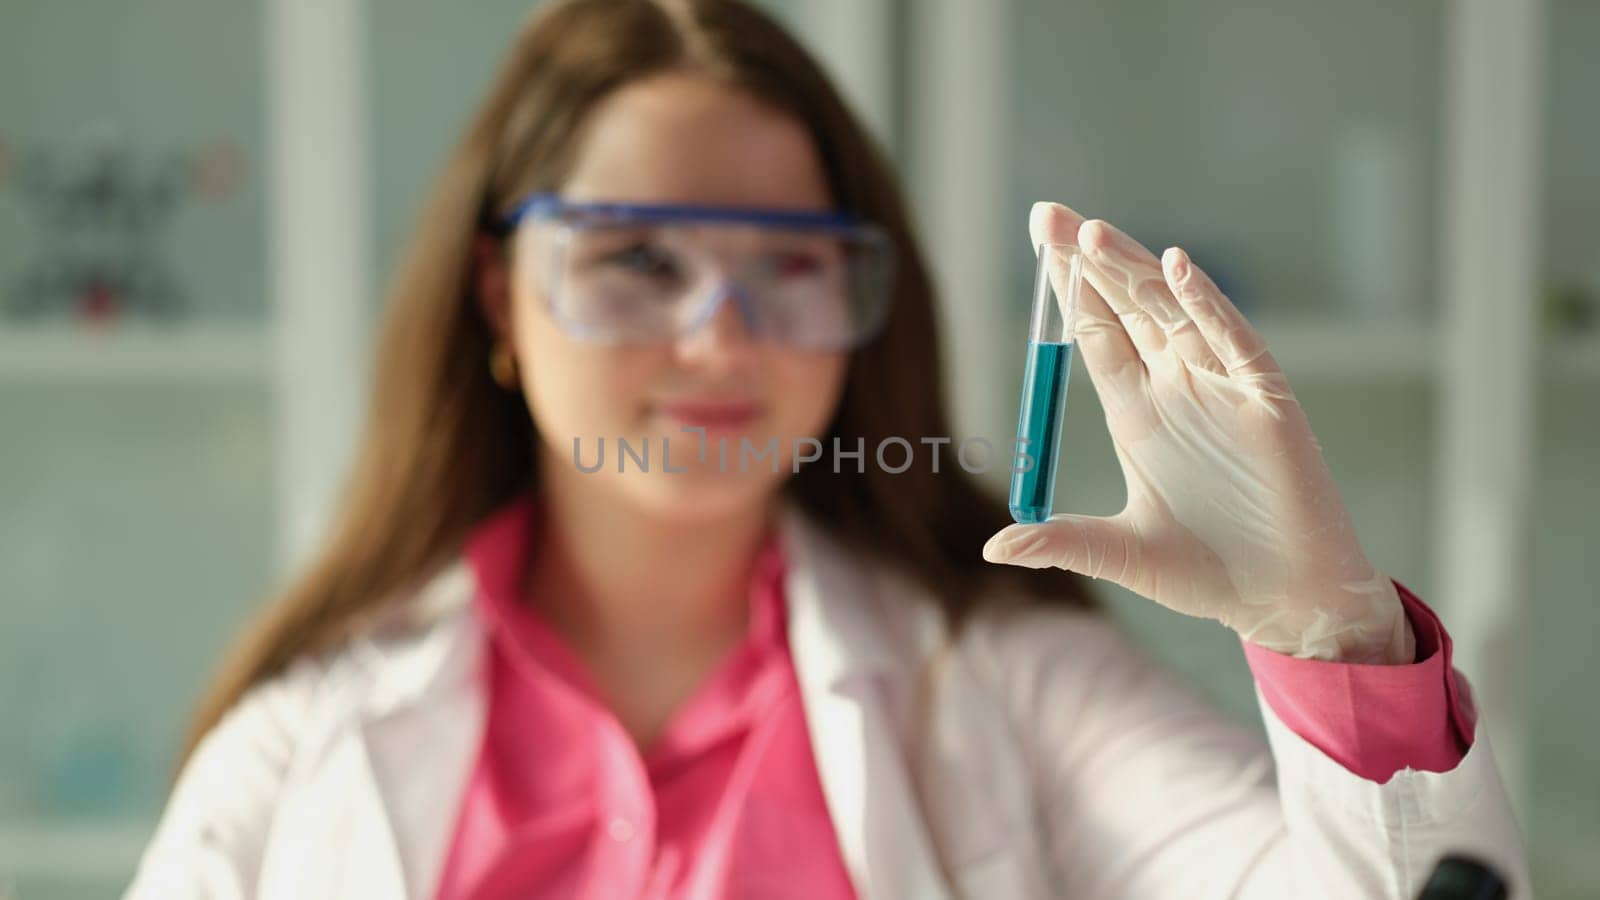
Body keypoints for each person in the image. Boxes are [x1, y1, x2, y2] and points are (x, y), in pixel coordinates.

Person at [125, 0, 1529, 897]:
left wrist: (1326, 628)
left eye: (792, 266)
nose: (721, 337)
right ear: (502, 300)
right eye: (635, 259)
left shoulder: (1009, 689)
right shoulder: (296, 748)